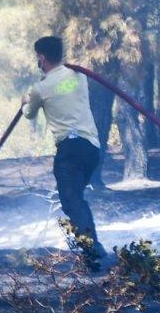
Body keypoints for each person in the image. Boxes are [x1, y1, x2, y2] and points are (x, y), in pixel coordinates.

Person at [21, 36, 106, 267]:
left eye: (37, 57)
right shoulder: (78, 76)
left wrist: (25, 100)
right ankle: (93, 248)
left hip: (70, 149)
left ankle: (93, 252)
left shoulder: (40, 88)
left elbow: (28, 113)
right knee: (75, 199)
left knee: (71, 202)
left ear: (41, 57)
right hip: (91, 148)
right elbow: (64, 90)